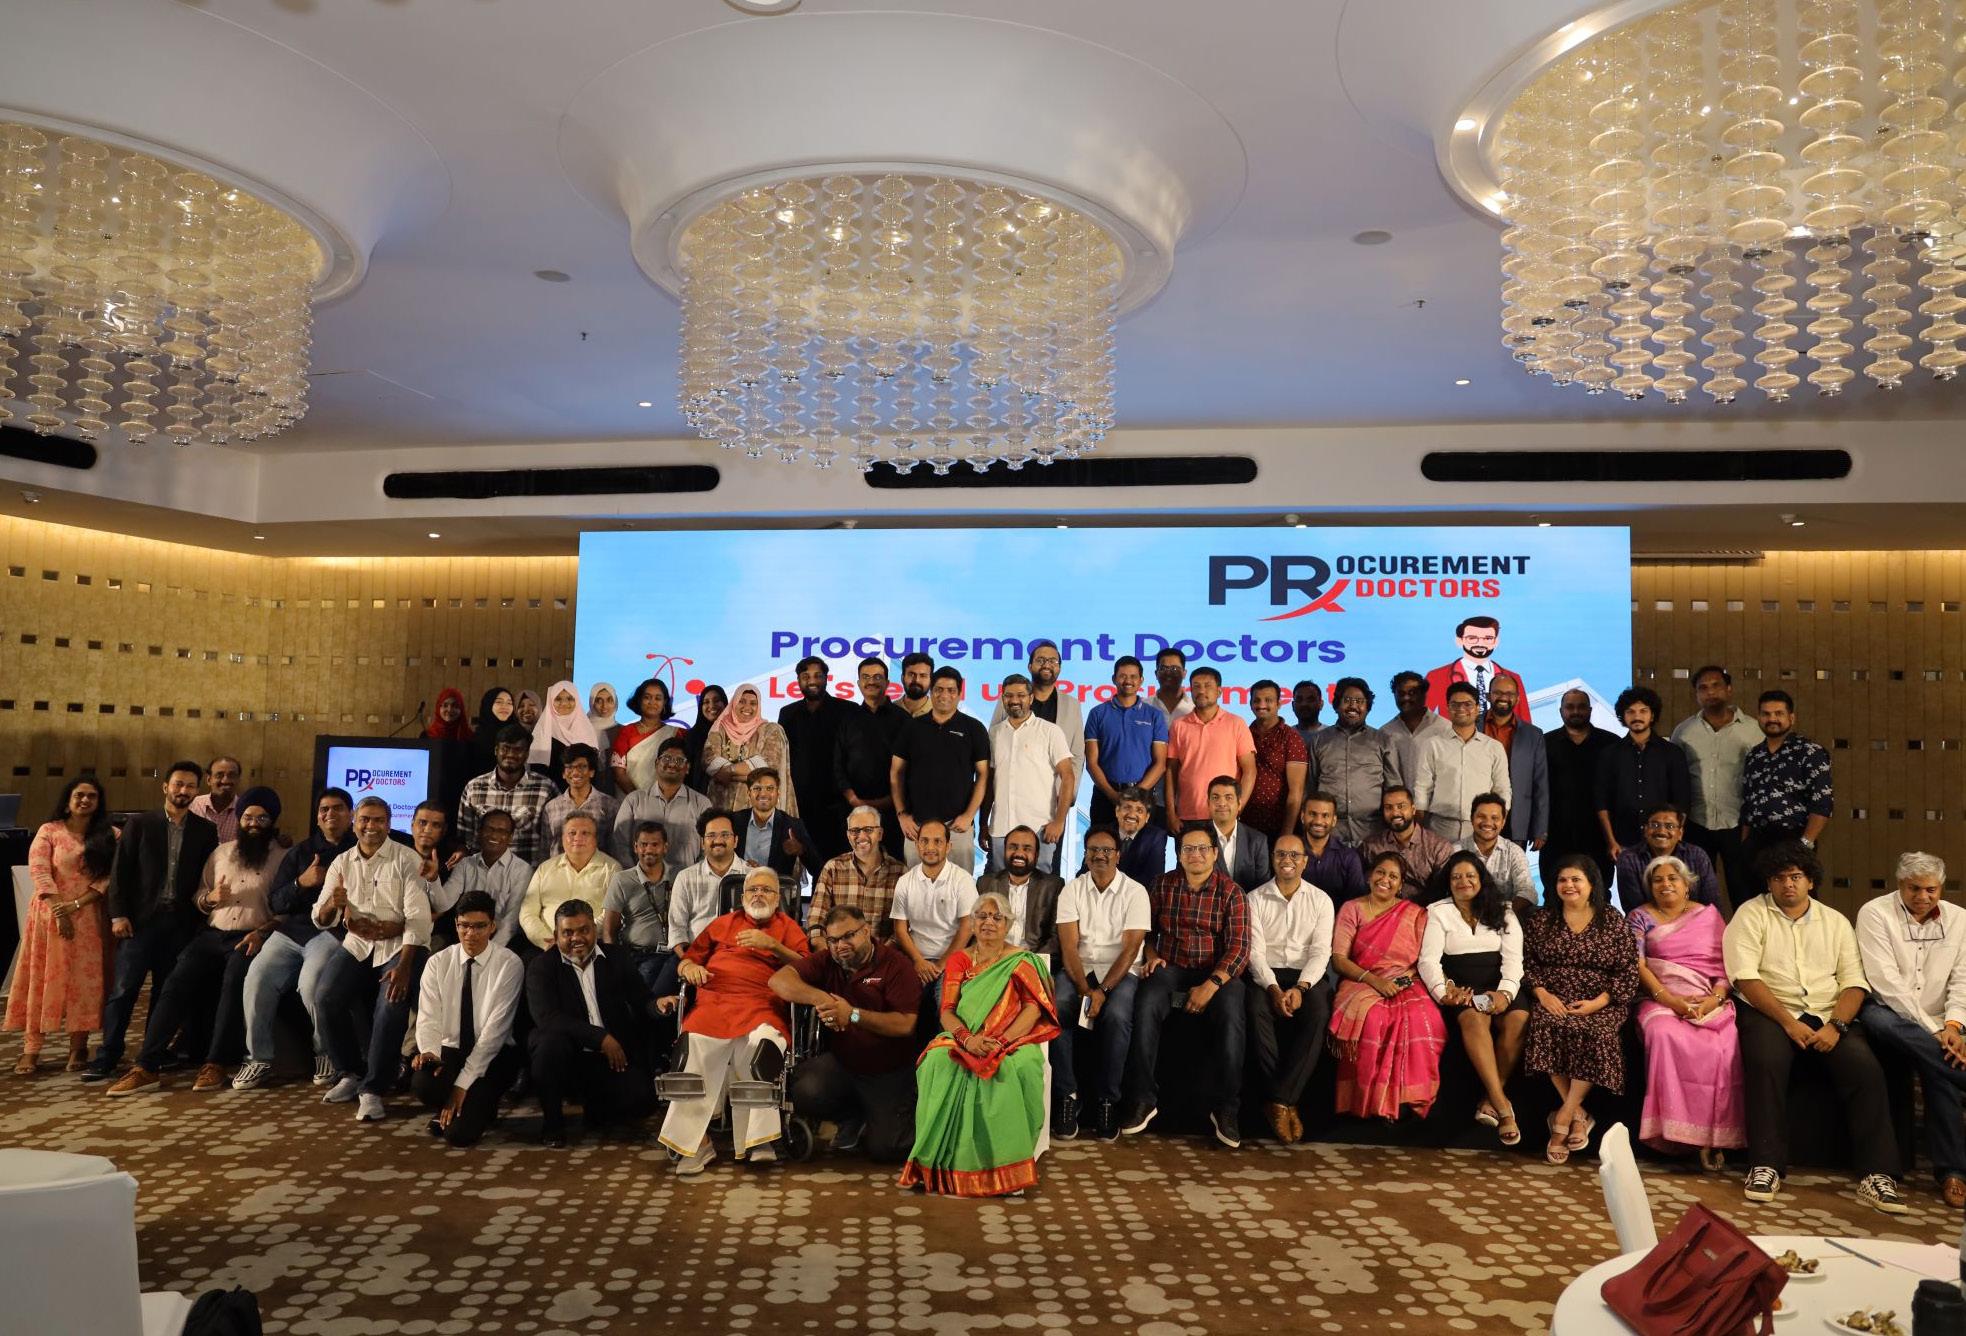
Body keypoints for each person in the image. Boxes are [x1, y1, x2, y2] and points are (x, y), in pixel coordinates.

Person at [1723, 840, 1904, 1213]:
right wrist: (1788, 1023)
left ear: (1810, 880)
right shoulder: (1751, 914)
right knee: (1766, 1061)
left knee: (1865, 1068)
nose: (1788, 884)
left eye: (1795, 876)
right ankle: (1765, 1166)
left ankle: (1877, 1174)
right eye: (1779, 878)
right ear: (1768, 882)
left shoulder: (1835, 922)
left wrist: (1836, 1026)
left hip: (1826, 1013)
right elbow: (1745, 978)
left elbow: (1854, 983)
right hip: (1769, 1010)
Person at [107, 788, 283, 1096]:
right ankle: (146, 1066)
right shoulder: (221, 853)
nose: (254, 823)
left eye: (262, 818)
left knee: (232, 984)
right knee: (175, 984)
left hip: (251, 937)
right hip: (212, 934)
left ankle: (216, 1062)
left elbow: (287, 908)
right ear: (239, 819)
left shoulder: (283, 857)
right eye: (248, 817)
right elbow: (200, 895)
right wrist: (210, 899)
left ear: (272, 821)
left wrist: (262, 932)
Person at [899, 889, 1062, 1196]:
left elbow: (1032, 1009)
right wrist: (968, 1039)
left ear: (1008, 924)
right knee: (936, 1061)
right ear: (972, 924)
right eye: (982, 916)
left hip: (1011, 1039)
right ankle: (939, 1163)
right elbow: (947, 1011)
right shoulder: (960, 960)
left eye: (997, 917)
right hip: (964, 1036)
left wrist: (1002, 1041)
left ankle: (1007, 1169)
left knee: (1018, 1066)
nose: (989, 922)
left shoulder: (1022, 961)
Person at [660, 869, 810, 1175]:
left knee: (761, 1045)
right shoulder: (721, 924)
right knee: (694, 1045)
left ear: (778, 898)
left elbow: (809, 968)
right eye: (753, 889)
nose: (759, 894)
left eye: (766, 890)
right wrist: (688, 969)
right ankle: (697, 1143)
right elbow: (688, 959)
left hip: (762, 1002)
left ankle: (759, 1139)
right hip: (715, 1001)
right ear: (742, 897)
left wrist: (773, 946)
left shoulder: (788, 927)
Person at [1117, 822, 1250, 1148]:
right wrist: (1151, 956)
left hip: (1216, 972)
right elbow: (1146, 931)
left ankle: (1227, 1108)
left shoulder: (1231, 891)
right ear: (1178, 854)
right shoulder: (1162, 885)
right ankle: (1143, 1098)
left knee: (1233, 1014)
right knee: (1146, 1003)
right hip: (1171, 965)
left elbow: (1239, 948)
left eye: (1203, 848)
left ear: (1215, 853)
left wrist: (1211, 985)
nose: (1196, 855)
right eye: (1188, 849)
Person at [86, 761, 220, 1081]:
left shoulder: (205, 830)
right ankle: (108, 1055)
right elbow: (120, 872)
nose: (183, 790)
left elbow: (207, 877)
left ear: (197, 791)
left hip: (180, 925)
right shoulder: (140, 824)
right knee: (123, 990)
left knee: (165, 993)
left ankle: (151, 1054)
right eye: (178, 784)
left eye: (190, 786)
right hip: (140, 922)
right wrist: (118, 915)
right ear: (166, 787)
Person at [311, 796, 436, 1124]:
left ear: (389, 823)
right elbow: (320, 916)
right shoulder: (342, 863)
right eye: (365, 819)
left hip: (401, 947)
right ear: (354, 822)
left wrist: (404, 968)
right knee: (325, 997)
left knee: (391, 1004)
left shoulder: (406, 859)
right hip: (358, 944)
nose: (371, 826)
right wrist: (334, 904)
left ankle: (373, 1089)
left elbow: (419, 920)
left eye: (379, 820)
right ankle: (350, 1073)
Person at [1856, 852, 1966, 1208]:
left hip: (1943, 1020)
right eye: (1914, 888)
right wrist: (1935, 1032)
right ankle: (1953, 1170)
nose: (1923, 896)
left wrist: (1953, 1025)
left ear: (1941, 887)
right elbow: (1886, 983)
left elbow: (1962, 980)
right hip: (1888, 1011)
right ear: (1900, 884)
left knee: (1940, 1072)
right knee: (1884, 1021)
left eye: (1931, 889)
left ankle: (1953, 1173)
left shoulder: (1960, 919)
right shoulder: (1875, 913)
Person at [773, 905, 924, 1162]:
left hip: (889, 1072)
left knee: (887, 1149)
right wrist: (821, 999)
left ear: (866, 931)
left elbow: (905, 1024)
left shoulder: (896, 965)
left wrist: (852, 1014)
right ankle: (851, 1117)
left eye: (848, 936)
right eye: (832, 940)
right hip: (845, 1065)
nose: (840, 945)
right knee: (803, 1089)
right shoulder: (828, 960)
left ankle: (877, 1119)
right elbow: (778, 980)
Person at [234, 788, 356, 1091]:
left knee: (310, 984)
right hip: (292, 931)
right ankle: (257, 1059)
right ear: (317, 817)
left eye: (338, 808)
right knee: (256, 978)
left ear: (351, 815)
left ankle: (325, 1053)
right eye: (324, 810)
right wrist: (302, 882)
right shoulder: (301, 852)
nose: (330, 814)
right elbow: (276, 903)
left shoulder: (359, 850)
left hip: (331, 933)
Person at [1522, 855, 1639, 1164]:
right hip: (1554, 997)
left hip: (1601, 1001)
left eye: (1576, 879)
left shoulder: (1611, 919)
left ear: (1591, 884)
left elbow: (1628, 969)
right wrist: (1542, 994)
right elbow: (1528, 963)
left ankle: (1562, 1116)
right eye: (1562, 880)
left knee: (1596, 1032)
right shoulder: (1541, 919)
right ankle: (1577, 1114)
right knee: (1545, 1025)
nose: (1568, 885)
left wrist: (1598, 1003)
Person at [1631, 855, 1744, 1168]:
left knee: (1724, 1043)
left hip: (1707, 999)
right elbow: (1638, 965)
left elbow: (1725, 965)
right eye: (1658, 880)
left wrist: (1715, 1000)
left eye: (1673, 879)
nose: (1665, 884)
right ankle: (1675, 1135)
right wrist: (1671, 1001)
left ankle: (1711, 1138)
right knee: (1663, 1034)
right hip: (1659, 999)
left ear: (1687, 885)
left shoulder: (1709, 916)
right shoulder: (1639, 917)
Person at [526, 899, 659, 1148]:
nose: (577, 938)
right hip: (567, 1056)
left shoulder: (616, 957)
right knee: (547, 1044)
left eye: (583, 930)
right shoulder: (541, 966)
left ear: (594, 930)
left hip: (610, 1059)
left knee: (642, 1102)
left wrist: (658, 1005)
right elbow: (547, 1017)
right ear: (556, 935)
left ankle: (597, 1107)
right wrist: (600, 1037)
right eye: (568, 932)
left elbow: (642, 999)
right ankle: (553, 1124)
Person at [6, 775, 116, 1075]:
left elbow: (108, 878)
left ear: (99, 802)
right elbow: (39, 870)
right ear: (68, 801)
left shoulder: (109, 836)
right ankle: (31, 1049)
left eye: (92, 796)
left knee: (84, 984)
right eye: (79, 795)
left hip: (90, 917)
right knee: (41, 981)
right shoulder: (49, 831)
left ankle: (78, 1047)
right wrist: (59, 910)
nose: (85, 800)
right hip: (48, 916)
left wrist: (76, 905)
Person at [1419, 851, 1528, 1146]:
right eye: (1456, 877)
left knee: (1518, 1019)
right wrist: (1444, 992)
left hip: (1500, 984)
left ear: (1481, 879)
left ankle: (1490, 1097)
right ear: (1448, 882)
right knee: (1474, 1022)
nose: (1463, 882)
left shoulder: (1504, 911)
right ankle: (1502, 1107)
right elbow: (1428, 961)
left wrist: (1505, 993)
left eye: (1470, 876)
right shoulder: (1437, 912)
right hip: (1462, 988)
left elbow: (1514, 960)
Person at [1051, 825, 1151, 1141]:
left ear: (1118, 856)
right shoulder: (1072, 890)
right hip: (1080, 970)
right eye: (1093, 850)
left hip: (1119, 971)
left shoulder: (1135, 892)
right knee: (1056, 1007)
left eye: (1107, 850)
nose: (1100, 855)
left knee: (1118, 1016)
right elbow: (1069, 947)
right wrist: (1085, 990)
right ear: (1085, 855)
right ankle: (1068, 1096)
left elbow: (1131, 949)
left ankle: (1108, 1100)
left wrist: (1103, 991)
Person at [1329, 851, 1443, 1122]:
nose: (1385, 880)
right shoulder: (1352, 908)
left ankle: (1406, 1097)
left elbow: (1420, 961)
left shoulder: (1415, 914)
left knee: (1423, 1017)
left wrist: (1400, 982)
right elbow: (1339, 959)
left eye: (1393, 876)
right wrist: (1375, 981)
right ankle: (1371, 1100)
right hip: (1360, 979)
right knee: (1374, 1017)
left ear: (1401, 884)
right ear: (1369, 876)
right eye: (1380, 872)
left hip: (1406, 980)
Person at [411, 889, 524, 1147]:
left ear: (492, 926)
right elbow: (428, 1018)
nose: (470, 933)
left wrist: (461, 1086)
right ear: (456, 925)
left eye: (479, 926)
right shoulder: (438, 962)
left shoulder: (509, 964)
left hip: (492, 1056)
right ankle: (450, 1106)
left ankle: (477, 1104)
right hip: (451, 1051)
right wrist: (429, 1053)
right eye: (464, 926)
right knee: (424, 1080)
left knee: (459, 1136)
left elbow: (494, 1035)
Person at [1245, 835, 1335, 1144]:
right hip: (1265, 975)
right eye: (1281, 853)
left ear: (1305, 861)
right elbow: (1254, 953)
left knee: (1319, 1011)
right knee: (1255, 1008)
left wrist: (1301, 987)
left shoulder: (1321, 901)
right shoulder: (1254, 899)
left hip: (1305, 976)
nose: (1287, 860)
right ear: (1272, 858)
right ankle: (1285, 1101)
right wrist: (1272, 988)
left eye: (1295, 855)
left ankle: (1279, 1100)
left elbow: (1321, 952)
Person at [1669, 665, 1762, 902]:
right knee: (1696, 894)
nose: (1710, 692)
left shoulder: (1754, 730)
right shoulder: (1684, 732)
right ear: (1696, 695)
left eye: (1716, 685)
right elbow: (1674, 777)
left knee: (1744, 892)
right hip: (1696, 823)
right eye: (1703, 688)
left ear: (1729, 689)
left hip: (1739, 824)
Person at [892, 667, 992, 869]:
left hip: (958, 827)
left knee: (960, 886)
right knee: (916, 885)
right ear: (931, 691)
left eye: (951, 690)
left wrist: (969, 816)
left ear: (959, 693)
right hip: (917, 827)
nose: (944, 695)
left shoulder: (974, 728)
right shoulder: (912, 727)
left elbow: (983, 775)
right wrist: (902, 815)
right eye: (938, 689)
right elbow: (896, 773)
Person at [890, 819, 980, 1027]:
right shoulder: (905, 881)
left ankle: (945, 1048)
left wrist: (941, 964)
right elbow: (900, 929)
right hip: (916, 959)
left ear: (948, 846)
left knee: (945, 1006)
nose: (930, 847)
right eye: (925, 841)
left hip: (953, 960)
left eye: (937, 841)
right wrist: (918, 961)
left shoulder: (963, 880)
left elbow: (967, 928)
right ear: (917, 845)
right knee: (902, 1004)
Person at [985, 674, 1074, 874]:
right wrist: (983, 823)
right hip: (1001, 827)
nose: (1014, 700)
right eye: (1009, 695)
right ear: (1002, 699)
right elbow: (989, 781)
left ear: (1031, 698)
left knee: (1040, 887)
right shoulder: (994, 734)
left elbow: (1068, 776)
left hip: (1040, 828)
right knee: (1001, 885)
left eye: (1020, 695)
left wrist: (1059, 821)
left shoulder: (1050, 731)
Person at [987, 642, 1087, 820]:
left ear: (1059, 668)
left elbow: (1077, 755)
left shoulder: (1072, 705)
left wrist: (1068, 795)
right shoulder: (1010, 700)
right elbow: (993, 747)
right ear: (1029, 666)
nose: (1047, 665)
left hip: (1053, 803)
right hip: (1010, 800)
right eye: (1040, 660)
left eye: (1053, 661)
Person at [1739, 689, 1834, 872]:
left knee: (1791, 889)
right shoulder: (1754, 755)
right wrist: (1745, 843)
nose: (1772, 719)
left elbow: (1822, 803)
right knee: (1752, 890)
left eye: (1778, 713)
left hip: (1793, 839)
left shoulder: (1810, 752)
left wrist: (1805, 844)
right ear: (1758, 718)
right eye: (1766, 714)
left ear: (1791, 718)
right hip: (1756, 842)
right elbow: (1747, 804)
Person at [1595, 686, 1692, 861]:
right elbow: (1602, 802)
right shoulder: (1609, 754)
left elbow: (1682, 801)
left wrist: (1675, 838)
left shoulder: (1672, 753)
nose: (1637, 716)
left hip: (1664, 840)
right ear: (1623, 716)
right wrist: (1611, 842)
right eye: (1630, 711)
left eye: (1643, 711)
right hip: (1623, 841)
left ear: (1652, 715)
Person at [779, 655, 856, 862]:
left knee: (836, 865)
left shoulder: (847, 710)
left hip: (837, 807)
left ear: (826, 678)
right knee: (800, 861)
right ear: (798, 680)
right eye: (806, 676)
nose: (812, 681)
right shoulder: (787, 714)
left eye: (817, 676)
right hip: (799, 806)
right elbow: (782, 759)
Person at [835, 657, 913, 858]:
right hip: (853, 810)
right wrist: (853, 799)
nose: (871, 682)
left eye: (877, 677)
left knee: (895, 867)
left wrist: (891, 800)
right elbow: (837, 764)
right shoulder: (847, 719)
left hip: (894, 813)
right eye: (866, 677)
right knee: (854, 866)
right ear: (859, 683)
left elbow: (910, 767)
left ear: (887, 682)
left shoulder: (903, 719)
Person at [1308, 677, 1401, 845]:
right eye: (1347, 700)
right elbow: (1311, 786)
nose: (1353, 706)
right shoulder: (1319, 740)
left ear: (1368, 707)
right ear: (1337, 705)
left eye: (1359, 701)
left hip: (1373, 833)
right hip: (1329, 832)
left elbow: (1393, 788)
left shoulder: (1382, 740)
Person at [1414, 683, 1511, 843]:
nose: (1461, 709)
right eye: (1455, 704)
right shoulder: (1432, 745)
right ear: (1447, 708)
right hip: (1440, 826)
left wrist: (1499, 819)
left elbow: (1502, 789)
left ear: (1478, 708)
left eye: (1467, 704)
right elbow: (1422, 787)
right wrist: (1420, 826)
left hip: (1480, 827)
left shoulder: (1493, 747)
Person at [1164, 667, 1255, 830]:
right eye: (1196, 686)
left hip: (1224, 815)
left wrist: (1238, 808)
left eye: (1207, 686)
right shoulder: (1179, 725)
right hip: (1188, 816)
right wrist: (1171, 813)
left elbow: (1250, 771)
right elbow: (1171, 771)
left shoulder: (1236, 723)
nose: (1201, 691)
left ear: (1219, 691)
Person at [1083, 656, 1169, 827]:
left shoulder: (1154, 715)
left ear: (1141, 680)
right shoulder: (1097, 713)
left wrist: (1137, 794)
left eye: (1133, 676)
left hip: (1143, 796)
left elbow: (1160, 763)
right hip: (1105, 796)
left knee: (1143, 844)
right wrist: (1112, 795)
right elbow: (1092, 763)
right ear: (1114, 679)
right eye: (1122, 676)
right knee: (1102, 842)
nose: (1128, 681)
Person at [1544, 687, 1619, 885]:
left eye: (1581, 706)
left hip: (1599, 834)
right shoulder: (1545, 743)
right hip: (1555, 834)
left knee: (1600, 889)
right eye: (1570, 707)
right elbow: (1536, 791)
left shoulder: (1611, 743)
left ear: (1590, 710)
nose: (1575, 711)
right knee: (1553, 889)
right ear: (1561, 711)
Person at [456, 723, 557, 867]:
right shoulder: (474, 788)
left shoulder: (545, 789)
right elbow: (465, 838)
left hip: (529, 874)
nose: (510, 754)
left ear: (527, 754)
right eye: (505, 748)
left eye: (518, 750)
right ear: (496, 750)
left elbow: (554, 838)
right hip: (482, 873)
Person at [517, 812, 621, 950]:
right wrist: (547, 941)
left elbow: (610, 915)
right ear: (562, 838)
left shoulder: (612, 869)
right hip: (547, 948)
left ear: (595, 839)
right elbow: (527, 913)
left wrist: (579, 937)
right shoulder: (545, 869)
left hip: (593, 947)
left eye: (585, 833)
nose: (578, 838)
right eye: (572, 833)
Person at [807, 806, 907, 947]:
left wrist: (882, 955)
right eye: (855, 831)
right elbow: (816, 918)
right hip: (839, 953)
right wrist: (824, 950)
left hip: (884, 954)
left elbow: (904, 927)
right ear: (848, 836)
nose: (861, 836)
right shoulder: (833, 868)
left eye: (868, 830)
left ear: (880, 834)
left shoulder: (900, 872)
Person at [611, 737, 710, 868]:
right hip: (639, 878)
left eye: (679, 760)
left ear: (687, 768)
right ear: (656, 763)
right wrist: (635, 876)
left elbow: (709, 849)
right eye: (666, 758)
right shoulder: (634, 801)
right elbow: (619, 844)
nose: (672, 764)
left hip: (686, 879)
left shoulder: (701, 804)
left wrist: (692, 877)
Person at [703, 685, 797, 817]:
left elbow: (768, 767)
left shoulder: (771, 730)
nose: (747, 707)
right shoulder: (719, 728)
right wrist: (751, 774)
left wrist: (728, 771)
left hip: (758, 811)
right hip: (721, 808)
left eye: (753, 703)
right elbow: (709, 760)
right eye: (741, 701)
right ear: (734, 703)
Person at [604, 821, 677, 991]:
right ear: (635, 847)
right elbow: (609, 930)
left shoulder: (679, 875)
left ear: (665, 847)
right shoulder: (622, 880)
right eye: (644, 845)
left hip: (672, 955)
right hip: (636, 955)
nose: (649, 850)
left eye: (655, 844)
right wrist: (614, 963)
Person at [443, 808, 530, 949]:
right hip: (466, 936)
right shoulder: (465, 864)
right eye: (489, 829)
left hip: (504, 942)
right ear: (479, 832)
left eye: (502, 831)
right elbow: (444, 902)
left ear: (510, 837)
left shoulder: (522, 870)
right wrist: (432, 880)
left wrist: (488, 952)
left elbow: (510, 923)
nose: (494, 835)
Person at [1612, 803, 1721, 913]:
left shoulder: (1697, 856)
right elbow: (1636, 910)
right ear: (1645, 830)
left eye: (1670, 826)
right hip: (1647, 922)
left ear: (1680, 833)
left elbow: (1712, 905)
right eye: (1654, 825)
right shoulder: (1629, 859)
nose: (1661, 831)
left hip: (1696, 920)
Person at [1482, 676, 1550, 853]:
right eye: (1498, 692)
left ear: (1518, 699)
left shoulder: (1533, 735)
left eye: (1509, 693)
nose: (1503, 697)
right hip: (1477, 817)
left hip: (1517, 820)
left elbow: (1540, 784)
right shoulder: (1472, 726)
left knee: (1511, 870)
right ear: (1488, 696)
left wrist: (1540, 829)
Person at [668, 809, 752, 950]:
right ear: (702, 842)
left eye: (725, 835)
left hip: (740, 956)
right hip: (695, 954)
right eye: (711, 835)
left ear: (736, 841)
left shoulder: (753, 877)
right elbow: (677, 930)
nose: (718, 841)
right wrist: (689, 960)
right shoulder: (685, 878)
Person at [976, 826, 1063, 960]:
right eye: (1013, 847)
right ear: (1005, 851)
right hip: (994, 960)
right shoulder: (985, 883)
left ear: (1036, 855)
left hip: (1035, 960)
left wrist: (1029, 960)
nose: (1019, 853)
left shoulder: (1053, 886)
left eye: (1027, 849)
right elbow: (977, 931)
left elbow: (1055, 937)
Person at [1425, 615, 1530, 720]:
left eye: (1488, 638)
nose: (1480, 643)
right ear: (1459, 640)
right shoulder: (1437, 676)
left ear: (1496, 642)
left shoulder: (1513, 678)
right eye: (1472, 638)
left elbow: (1525, 723)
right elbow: (1420, 720)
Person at [1359, 787, 1454, 900]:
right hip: (1380, 907)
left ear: (1413, 810)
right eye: (1388, 807)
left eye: (1401, 806)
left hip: (1424, 908)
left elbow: (1441, 891)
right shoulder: (1371, 846)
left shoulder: (1438, 847)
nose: (1395, 813)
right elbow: (1361, 885)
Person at [1245, 680, 1310, 844]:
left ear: (1279, 704)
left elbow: (1296, 791)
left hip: (1279, 826)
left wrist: (1286, 833)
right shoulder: (1244, 734)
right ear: (1250, 704)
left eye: (1268, 700)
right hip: (1246, 825)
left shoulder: (1291, 737)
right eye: (1257, 700)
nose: (1262, 705)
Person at [738, 768, 814, 893]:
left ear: (778, 793)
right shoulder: (734, 821)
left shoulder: (793, 825)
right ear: (748, 793)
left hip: (777, 896)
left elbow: (816, 867)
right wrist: (742, 865)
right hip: (739, 892)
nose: (763, 794)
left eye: (769, 788)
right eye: (757, 788)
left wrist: (801, 850)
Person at [542, 743, 619, 858]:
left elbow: (615, 848)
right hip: (558, 868)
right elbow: (544, 850)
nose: (575, 772)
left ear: (592, 772)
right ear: (563, 774)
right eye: (569, 767)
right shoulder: (551, 807)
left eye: (582, 767)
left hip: (598, 867)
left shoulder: (610, 805)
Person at [1459, 792, 1535, 905]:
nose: (1488, 823)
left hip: (1506, 913)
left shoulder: (1514, 852)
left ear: (1503, 822)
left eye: (1495, 818)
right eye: (1481, 817)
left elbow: (1528, 892)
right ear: (1471, 819)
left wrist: (1506, 913)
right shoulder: (1456, 851)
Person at [1384, 669, 1451, 797]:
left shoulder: (1444, 728)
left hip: (1436, 806)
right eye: (1401, 693)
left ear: (1424, 695)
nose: (1406, 698)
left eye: (1412, 693)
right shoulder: (1386, 732)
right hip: (1399, 807)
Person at [612, 677, 681, 795]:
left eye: (658, 698)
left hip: (668, 800)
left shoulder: (676, 733)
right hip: (632, 799)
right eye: (647, 697)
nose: (652, 702)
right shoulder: (626, 732)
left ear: (664, 702)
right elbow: (619, 773)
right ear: (639, 700)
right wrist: (641, 800)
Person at [1204, 774, 1271, 892]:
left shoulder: (1257, 840)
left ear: (1239, 804)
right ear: (1208, 803)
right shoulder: (1196, 838)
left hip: (1248, 902)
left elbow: (1263, 888)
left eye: (1228, 797)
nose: (1222, 803)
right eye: (1215, 797)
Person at [1296, 792, 1367, 903]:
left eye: (1325, 815)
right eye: (1312, 814)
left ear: (1334, 821)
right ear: (1302, 817)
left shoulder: (1349, 858)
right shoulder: (1290, 853)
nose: (1318, 821)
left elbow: (1356, 903)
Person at [1112, 787, 1171, 890]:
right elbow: (1088, 872)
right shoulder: (1102, 833)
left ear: (1147, 817)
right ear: (1117, 811)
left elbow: (1153, 878)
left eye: (1139, 810)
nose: (1132, 814)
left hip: (1137, 895)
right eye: (1127, 808)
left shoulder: (1156, 838)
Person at [190, 755, 243, 844]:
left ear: (238, 780)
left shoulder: (245, 810)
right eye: (219, 775)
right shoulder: (194, 804)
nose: (225, 781)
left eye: (232, 775)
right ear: (209, 780)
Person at [684, 683, 728, 790]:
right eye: (706, 702)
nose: (711, 705)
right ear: (701, 707)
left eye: (716, 700)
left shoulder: (736, 732)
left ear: (725, 704)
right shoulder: (692, 736)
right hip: (700, 795)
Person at [468, 686, 516, 775]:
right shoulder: (476, 737)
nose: (505, 706)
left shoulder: (518, 735)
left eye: (509, 703)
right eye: (499, 702)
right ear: (488, 704)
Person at [1150, 645, 1193, 724]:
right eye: (1163, 668)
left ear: (1184, 673)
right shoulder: (1144, 706)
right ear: (1156, 674)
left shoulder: (1194, 708)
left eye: (1174, 668)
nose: (1168, 673)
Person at [896, 652, 935, 719]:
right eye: (911, 675)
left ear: (931, 680)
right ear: (902, 678)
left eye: (923, 676)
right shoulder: (888, 711)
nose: (917, 680)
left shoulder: (940, 713)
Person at [1290, 679, 1325, 748]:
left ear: (1321, 704)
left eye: (1310, 700)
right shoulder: (1285, 737)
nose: (1304, 704)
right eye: (1299, 700)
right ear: (1293, 705)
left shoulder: (1332, 735)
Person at [586, 682, 620, 752]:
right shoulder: (581, 728)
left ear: (615, 702)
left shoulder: (623, 731)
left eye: (609, 700)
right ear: (592, 703)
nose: (604, 706)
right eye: (599, 701)